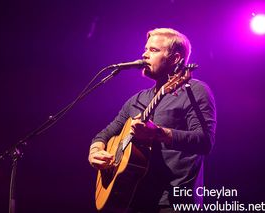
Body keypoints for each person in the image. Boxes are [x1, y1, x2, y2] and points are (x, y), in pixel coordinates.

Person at [88, 28, 216, 212]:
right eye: (145, 49)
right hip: (135, 199)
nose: (144, 54)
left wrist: (157, 133)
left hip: (174, 202)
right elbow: (105, 134)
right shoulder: (137, 100)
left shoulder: (194, 90)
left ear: (175, 59)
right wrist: (95, 152)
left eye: (153, 50)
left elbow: (205, 142)